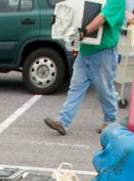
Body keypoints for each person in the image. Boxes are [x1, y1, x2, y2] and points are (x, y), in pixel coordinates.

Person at [44, 0, 128, 136]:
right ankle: (63, 122)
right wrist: (58, 19)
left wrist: (83, 33)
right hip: (86, 51)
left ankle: (110, 120)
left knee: (104, 89)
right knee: (76, 87)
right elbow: (77, 10)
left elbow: (102, 18)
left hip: (103, 53)